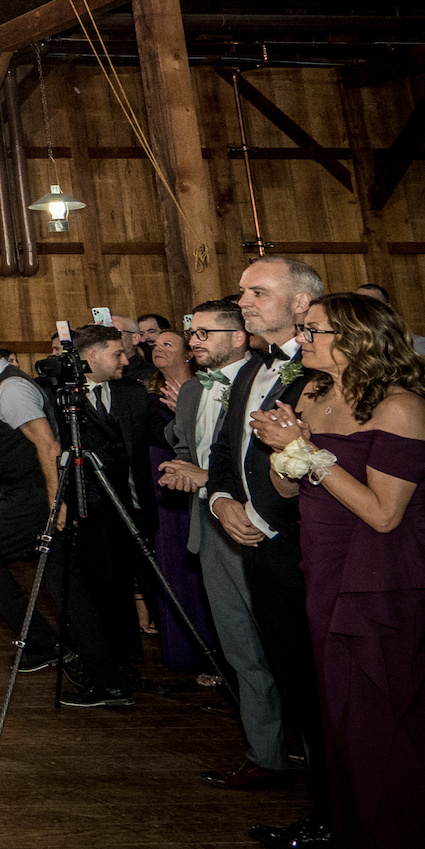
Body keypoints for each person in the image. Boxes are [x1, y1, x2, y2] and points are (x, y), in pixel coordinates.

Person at [251, 293, 425, 849]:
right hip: (323, 572)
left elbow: (383, 514)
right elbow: (286, 486)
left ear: (356, 339)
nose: (302, 340)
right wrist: (282, 446)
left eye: (314, 330)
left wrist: (306, 452)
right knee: (346, 737)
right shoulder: (311, 392)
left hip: (384, 582)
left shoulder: (401, 407)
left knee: (390, 736)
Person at [0, 329, 133, 707]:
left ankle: (44, 645)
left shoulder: (12, 389)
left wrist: (54, 502)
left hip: (35, 495)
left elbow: (48, 445)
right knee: (65, 585)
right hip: (30, 494)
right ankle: (108, 680)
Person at [216, 255, 331, 849]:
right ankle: (324, 809)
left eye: (258, 292)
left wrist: (270, 517)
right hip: (258, 550)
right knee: (295, 682)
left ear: (301, 304)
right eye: (242, 293)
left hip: (311, 549)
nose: (244, 302)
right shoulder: (248, 370)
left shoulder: (325, 373)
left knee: (326, 690)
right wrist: (221, 502)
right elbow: (224, 452)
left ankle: (338, 816)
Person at [159, 301, 291, 789]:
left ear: (238, 337)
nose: (193, 341)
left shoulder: (272, 379)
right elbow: (188, 449)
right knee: (241, 650)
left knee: (285, 648)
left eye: (204, 333)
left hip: (267, 531)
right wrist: (186, 474)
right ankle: (266, 756)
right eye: (191, 332)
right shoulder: (193, 390)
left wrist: (206, 477)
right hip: (211, 529)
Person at [65, 324, 169, 676]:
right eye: (117, 353)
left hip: (131, 506)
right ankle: (99, 660)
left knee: (131, 583)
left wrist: (186, 413)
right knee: (97, 586)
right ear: (92, 355)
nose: (125, 360)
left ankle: (128, 659)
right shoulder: (60, 396)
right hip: (86, 510)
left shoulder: (132, 392)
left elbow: (160, 434)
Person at [141, 326, 216, 672]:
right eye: (156, 344)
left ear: (188, 354)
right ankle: (182, 651)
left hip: (197, 479)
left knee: (199, 565)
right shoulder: (148, 391)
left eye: (168, 344)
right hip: (162, 483)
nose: (158, 348)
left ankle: (212, 655)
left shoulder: (205, 388)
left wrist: (183, 411)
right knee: (171, 562)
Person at [355, 282, 425, 357]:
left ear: (387, 308)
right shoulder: (350, 342)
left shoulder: (415, 345)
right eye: (357, 302)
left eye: (372, 303)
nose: (364, 308)